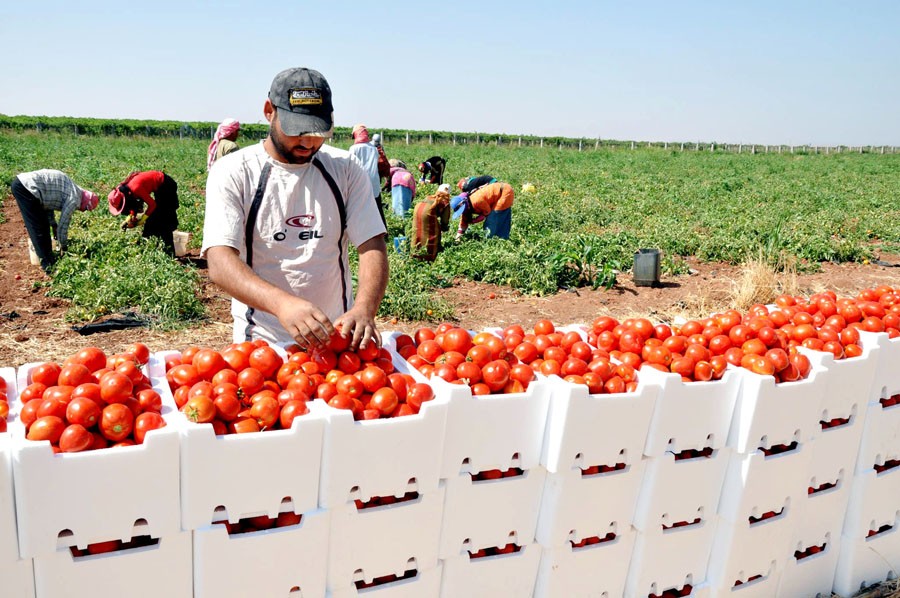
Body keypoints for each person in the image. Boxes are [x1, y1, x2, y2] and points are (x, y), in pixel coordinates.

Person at [202, 67, 388, 350]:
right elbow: (219, 261)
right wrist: (282, 304)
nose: (308, 141)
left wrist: (364, 308)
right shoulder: (234, 172)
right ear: (269, 111)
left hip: (336, 339)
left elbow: (372, 243)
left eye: (317, 130)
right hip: (263, 344)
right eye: (296, 129)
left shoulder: (346, 170)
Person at [10, 169, 99, 272]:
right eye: (86, 209)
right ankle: (48, 267)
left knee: (43, 225)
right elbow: (63, 225)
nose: (83, 211)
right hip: (26, 188)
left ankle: (48, 259)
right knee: (38, 228)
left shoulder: (73, 190)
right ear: (86, 202)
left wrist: (53, 224)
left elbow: (48, 204)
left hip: (24, 184)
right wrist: (64, 247)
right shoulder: (74, 199)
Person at [107, 170, 180, 256]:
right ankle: (151, 246)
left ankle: (170, 252)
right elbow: (134, 202)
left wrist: (142, 220)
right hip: (159, 187)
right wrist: (130, 217)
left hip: (166, 185)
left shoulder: (135, 188)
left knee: (163, 217)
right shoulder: (124, 190)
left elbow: (152, 205)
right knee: (155, 218)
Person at [348, 124, 385, 223]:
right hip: (375, 184)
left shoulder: (354, 149)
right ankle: (382, 232)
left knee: (360, 209)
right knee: (377, 209)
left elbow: (350, 167)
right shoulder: (373, 148)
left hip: (360, 183)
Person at [411, 183, 452, 261]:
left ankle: (415, 254)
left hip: (418, 208)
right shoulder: (445, 202)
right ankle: (429, 256)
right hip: (427, 211)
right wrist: (444, 227)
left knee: (418, 230)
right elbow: (445, 220)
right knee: (433, 232)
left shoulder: (429, 197)